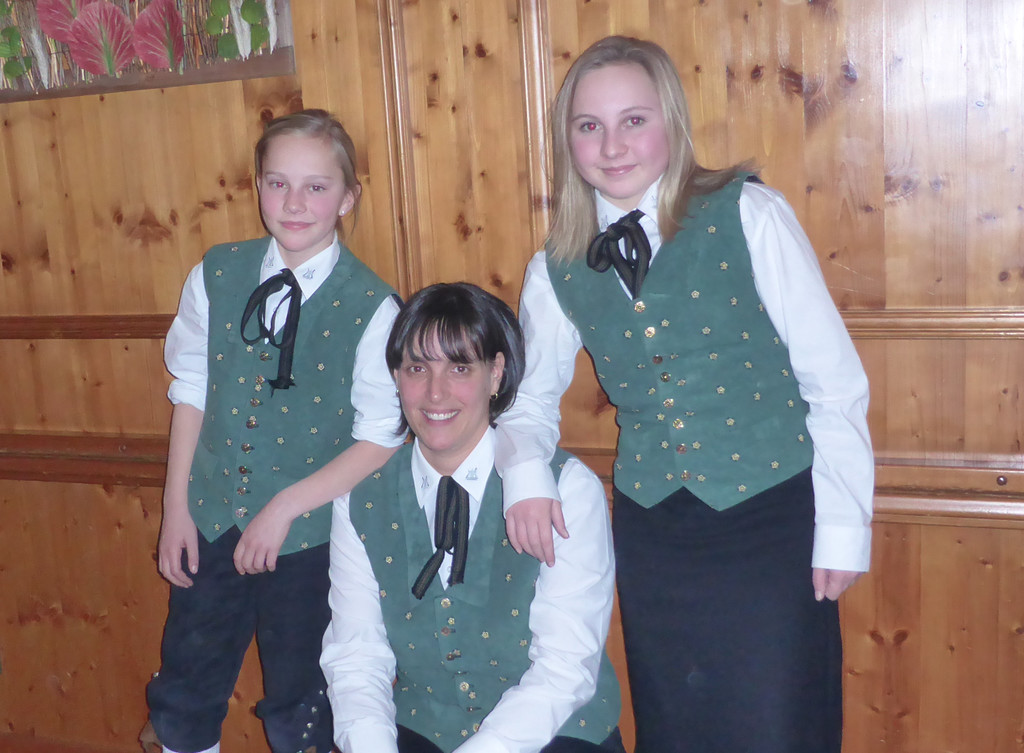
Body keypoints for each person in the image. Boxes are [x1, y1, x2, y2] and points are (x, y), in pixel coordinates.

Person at [499, 36, 874, 753]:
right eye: (589, 125)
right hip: (656, 533)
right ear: (568, 139)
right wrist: (525, 479)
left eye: (634, 120)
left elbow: (834, 381)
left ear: (671, 121)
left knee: (778, 726)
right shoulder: (555, 268)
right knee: (678, 728)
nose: (612, 145)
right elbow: (528, 400)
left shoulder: (750, 213)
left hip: (770, 520)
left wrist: (843, 526)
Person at [147, 109, 406, 753]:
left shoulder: (372, 306)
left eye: (316, 187)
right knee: (185, 691)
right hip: (210, 520)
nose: (294, 203)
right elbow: (192, 390)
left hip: (312, 537)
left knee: (303, 706)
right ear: (257, 185)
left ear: (347, 198)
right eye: (277, 183)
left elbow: (381, 437)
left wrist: (285, 507)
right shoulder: (217, 273)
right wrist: (176, 509)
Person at [320, 282, 626, 753]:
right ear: (396, 377)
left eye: (460, 367)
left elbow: (565, 667)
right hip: (424, 729)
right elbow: (357, 657)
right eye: (417, 368)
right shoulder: (360, 502)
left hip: (551, 731)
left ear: (496, 373)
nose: (435, 392)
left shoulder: (567, 489)